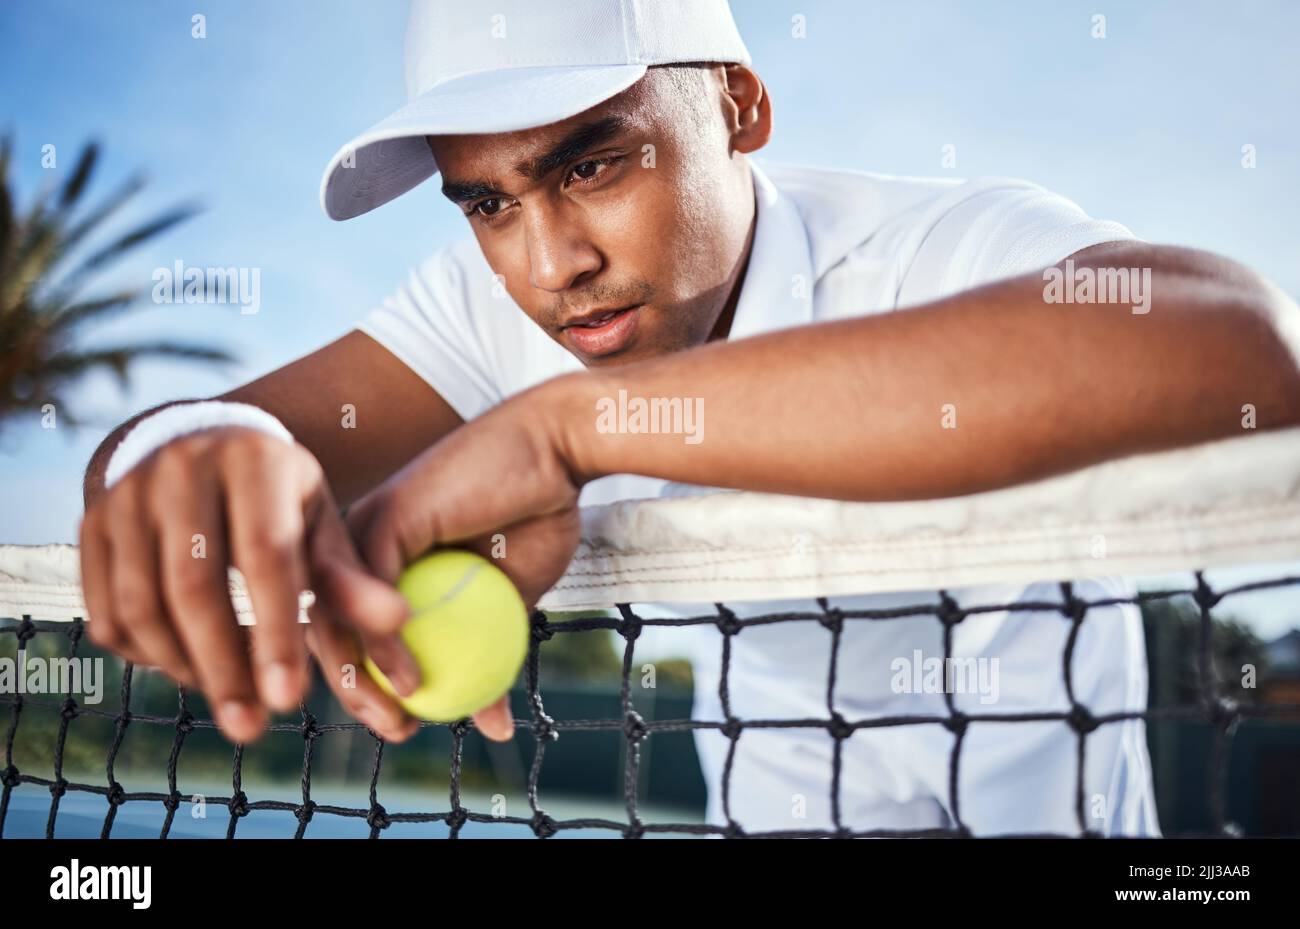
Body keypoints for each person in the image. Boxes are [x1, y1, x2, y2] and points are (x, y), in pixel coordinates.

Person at [80, 0, 1300, 834]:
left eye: (591, 166)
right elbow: (172, 448)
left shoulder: (938, 246)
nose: (548, 260)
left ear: (738, 108)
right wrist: (188, 451)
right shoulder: (494, 299)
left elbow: (1242, 346)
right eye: (486, 205)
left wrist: (573, 427)